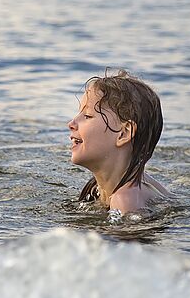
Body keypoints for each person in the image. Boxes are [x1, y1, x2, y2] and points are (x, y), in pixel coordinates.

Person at [67, 70, 170, 214]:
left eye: (88, 116)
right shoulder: (99, 188)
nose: (71, 123)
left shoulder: (123, 200)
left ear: (124, 133)